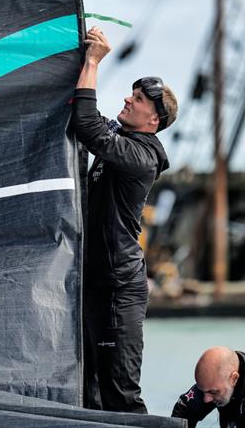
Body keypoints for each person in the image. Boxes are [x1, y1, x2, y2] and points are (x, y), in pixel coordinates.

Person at [70, 26, 178, 413]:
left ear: (154, 121)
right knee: (88, 391)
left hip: (120, 290)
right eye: (131, 94)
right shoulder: (124, 141)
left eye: (137, 100)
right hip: (95, 283)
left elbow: (87, 126)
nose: (128, 100)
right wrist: (78, 56)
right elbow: (82, 112)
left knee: (121, 397)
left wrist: (95, 61)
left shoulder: (141, 156)